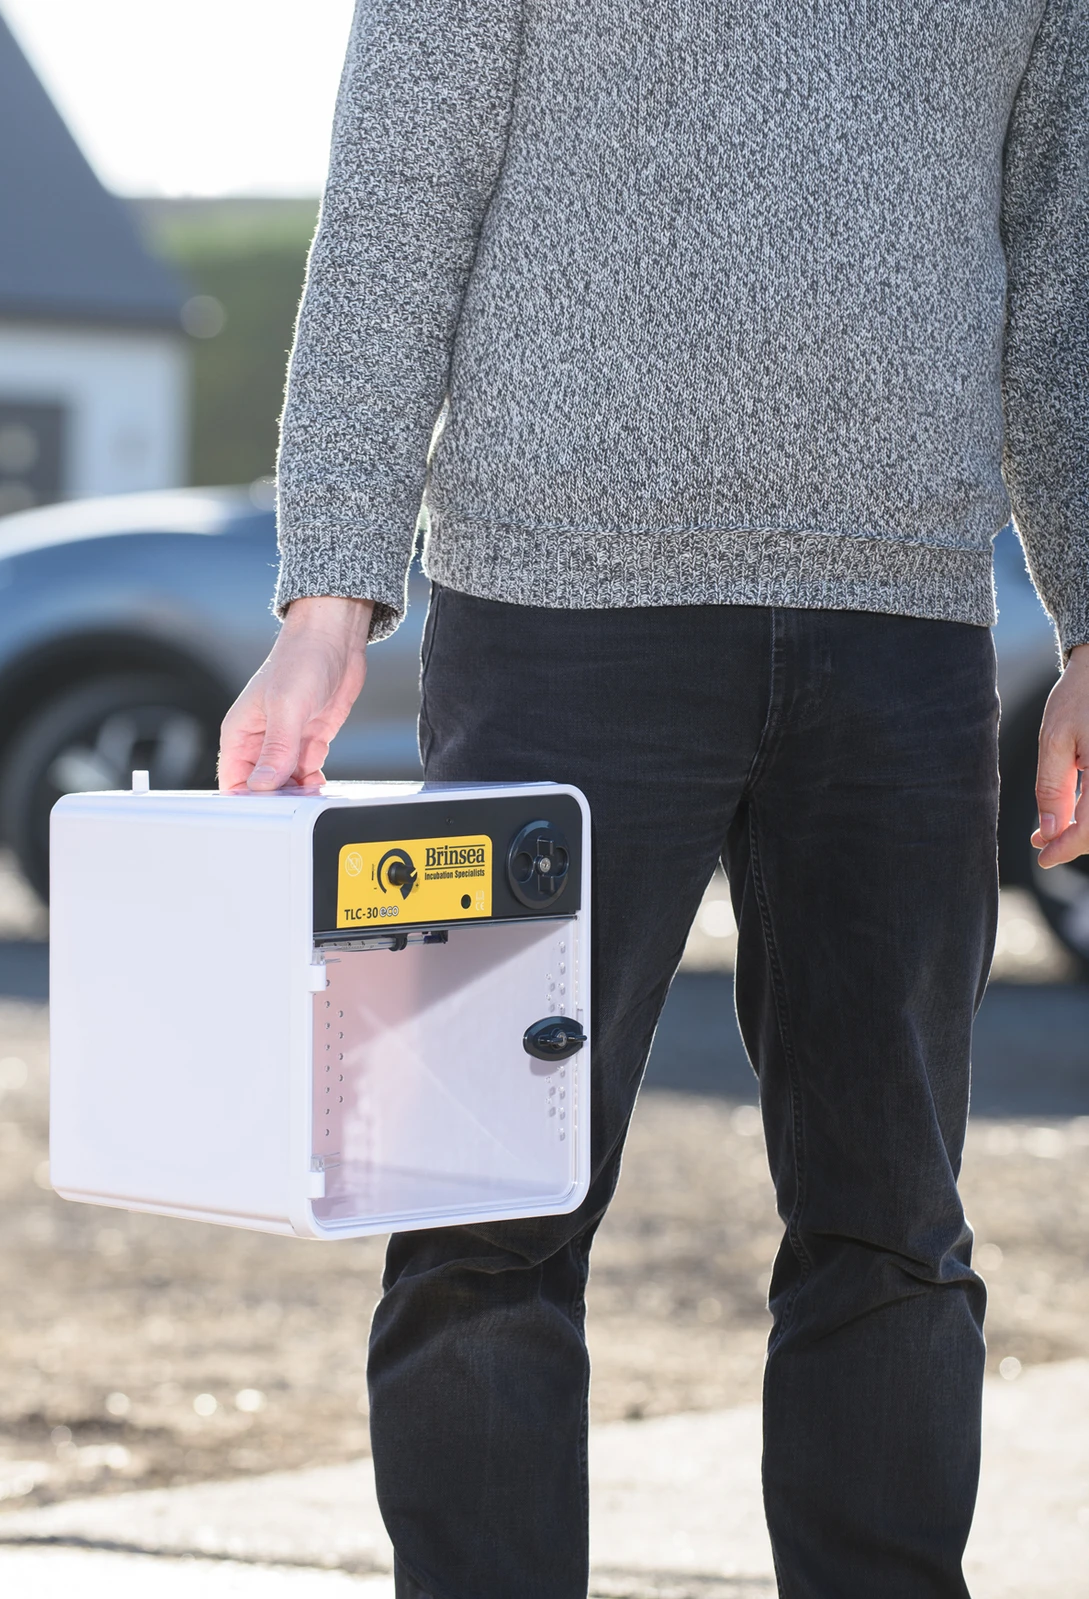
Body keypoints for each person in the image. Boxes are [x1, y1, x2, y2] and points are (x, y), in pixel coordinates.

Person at [218, 4, 1089, 1595]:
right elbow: (402, 191)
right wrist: (330, 588)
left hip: (903, 625)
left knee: (895, 1221)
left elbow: (1062, 266)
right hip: (554, 614)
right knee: (481, 1208)